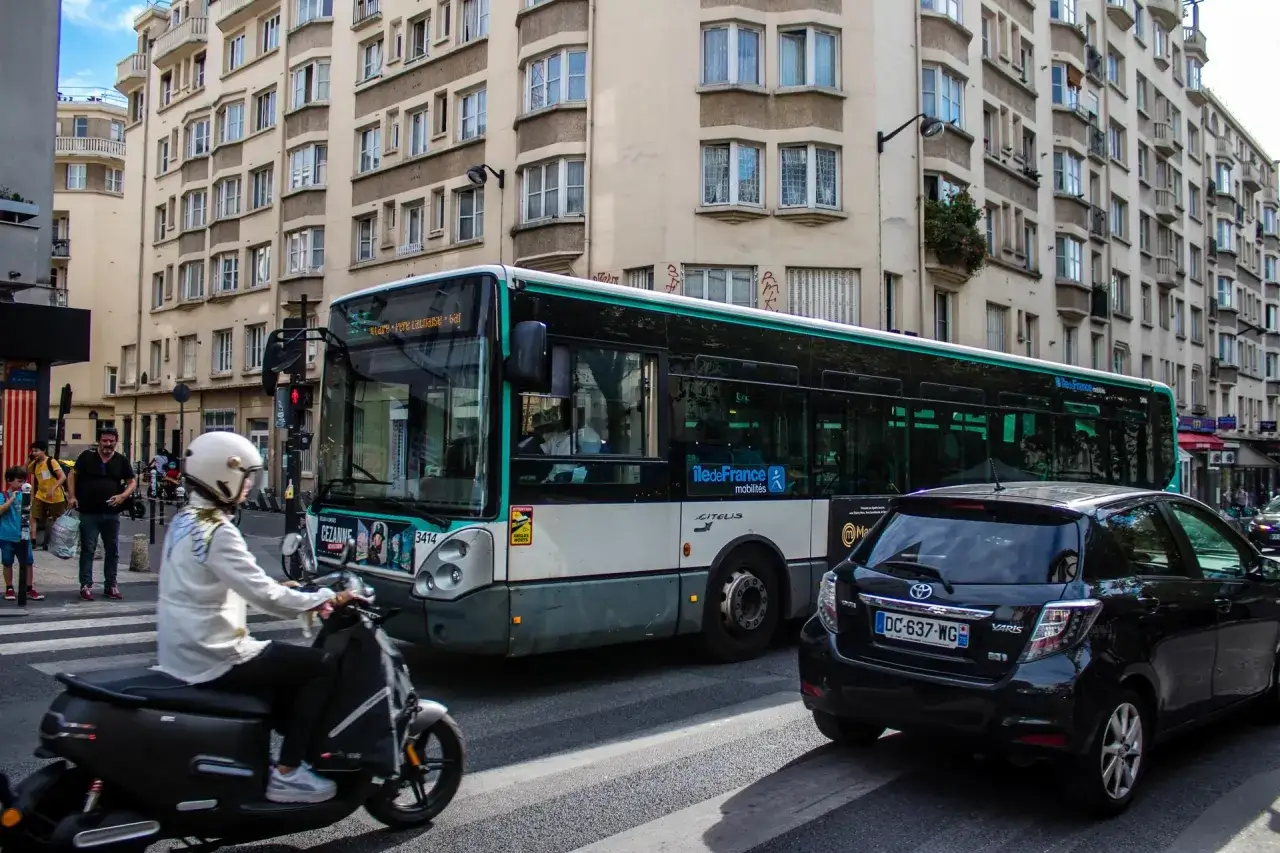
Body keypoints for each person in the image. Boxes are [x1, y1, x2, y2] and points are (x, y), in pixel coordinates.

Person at [156, 431, 361, 804]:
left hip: (181, 651)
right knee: (322, 666)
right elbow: (267, 598)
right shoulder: (219, 531)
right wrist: (324, 597)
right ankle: (288, 772)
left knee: (283, 669)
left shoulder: (185, 520)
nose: (250, 484)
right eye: (246, 476)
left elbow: (217, 582)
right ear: (223, 475)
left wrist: (287, 589)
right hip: (215, 654)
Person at [67, 427, 136, 601]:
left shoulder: (121, 460)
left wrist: (122, 496)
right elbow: (72, 475)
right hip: (88, 512)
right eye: (104, 441)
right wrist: (72, 496)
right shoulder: (87, 456)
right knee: (88, 550)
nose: (107, 444)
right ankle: (85, 585)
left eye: (111, 441)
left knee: (112, 550)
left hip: (112, 513)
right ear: (99, 441)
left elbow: (132, 482)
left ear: (116, 441)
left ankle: (111, 585)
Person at [1, 467, 43, 603]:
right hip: (7, 536)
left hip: (23, 535)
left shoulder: (25, 495)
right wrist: (12, 498)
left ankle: (29, 587)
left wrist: (33, 532)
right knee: (7, 562)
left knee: (28, 562)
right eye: (19, 481)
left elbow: (29, 514)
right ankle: (9, 587)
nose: (21, 484)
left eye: (23, 481)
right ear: (9, 481)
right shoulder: (3, 495)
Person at [27, 441, 67, 551]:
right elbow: (24, 470)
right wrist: (29, 459)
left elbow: (62, 477)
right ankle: (33, 541)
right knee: (33, 516)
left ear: (43, 450)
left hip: (56, 497)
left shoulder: (51, 461)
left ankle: (51, 542)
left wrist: (53, 488)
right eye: (33, 451)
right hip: (41, 495)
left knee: (55, 519)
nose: (34, 453)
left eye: (36, 451)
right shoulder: (35, 463)